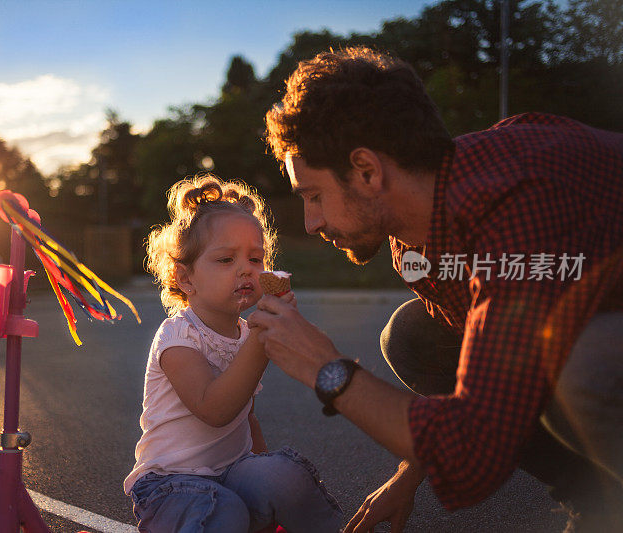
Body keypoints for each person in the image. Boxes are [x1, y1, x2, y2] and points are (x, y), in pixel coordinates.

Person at [249, 46, 623, 532]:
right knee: (412, 335)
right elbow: (481, 368)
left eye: (314, 195)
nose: (312, 221)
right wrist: (411, 472)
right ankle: (595, 496)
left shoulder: (516, 200)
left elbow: (474, 458)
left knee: (584, 365)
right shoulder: (416, 236)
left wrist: (327, 369)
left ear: (367, 170)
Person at [124, 175, 343, 532]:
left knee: (282, 475)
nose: (246, 269)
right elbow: (215, 409)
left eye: (255, 259)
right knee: (222, 509)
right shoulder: (177, 337)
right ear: (186, 278)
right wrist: (260, 339)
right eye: (226, 259)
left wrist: (263, 472)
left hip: (230, 473)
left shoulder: (244, 333)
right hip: (169, 486)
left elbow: (246, 416)